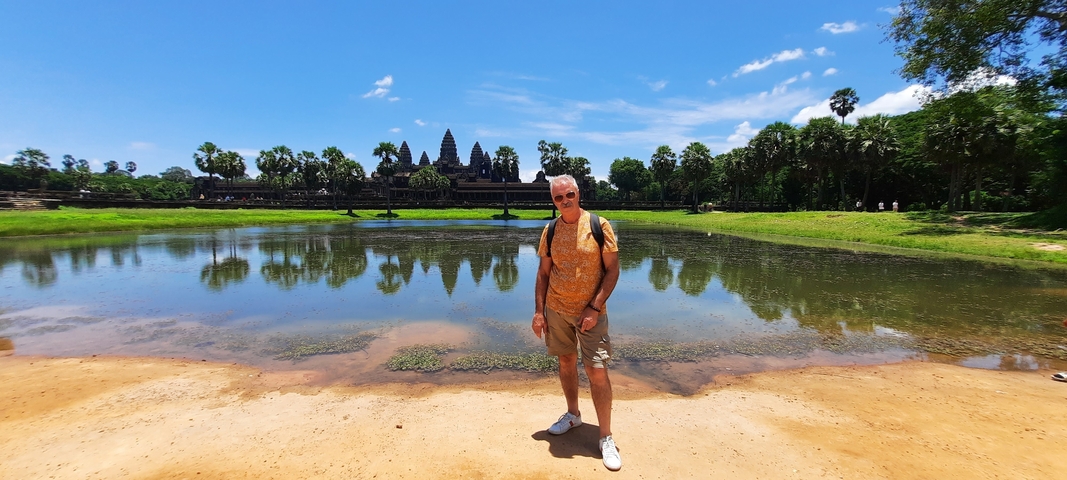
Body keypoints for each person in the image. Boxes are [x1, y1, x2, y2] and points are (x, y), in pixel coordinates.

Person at [532, 174, 622, 471]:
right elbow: (544, 273)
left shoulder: (599, 225)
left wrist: (594, 307)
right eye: (558, 198)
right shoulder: (551, 229)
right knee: (566, 362)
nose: (564, 201)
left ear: (578, 193)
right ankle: (573, 415)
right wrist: (538, 311)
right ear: (553, 201)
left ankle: (605, 436)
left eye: (569, 194)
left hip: (590, 313)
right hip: (557, 309)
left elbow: (612, 271)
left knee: (596, 370)